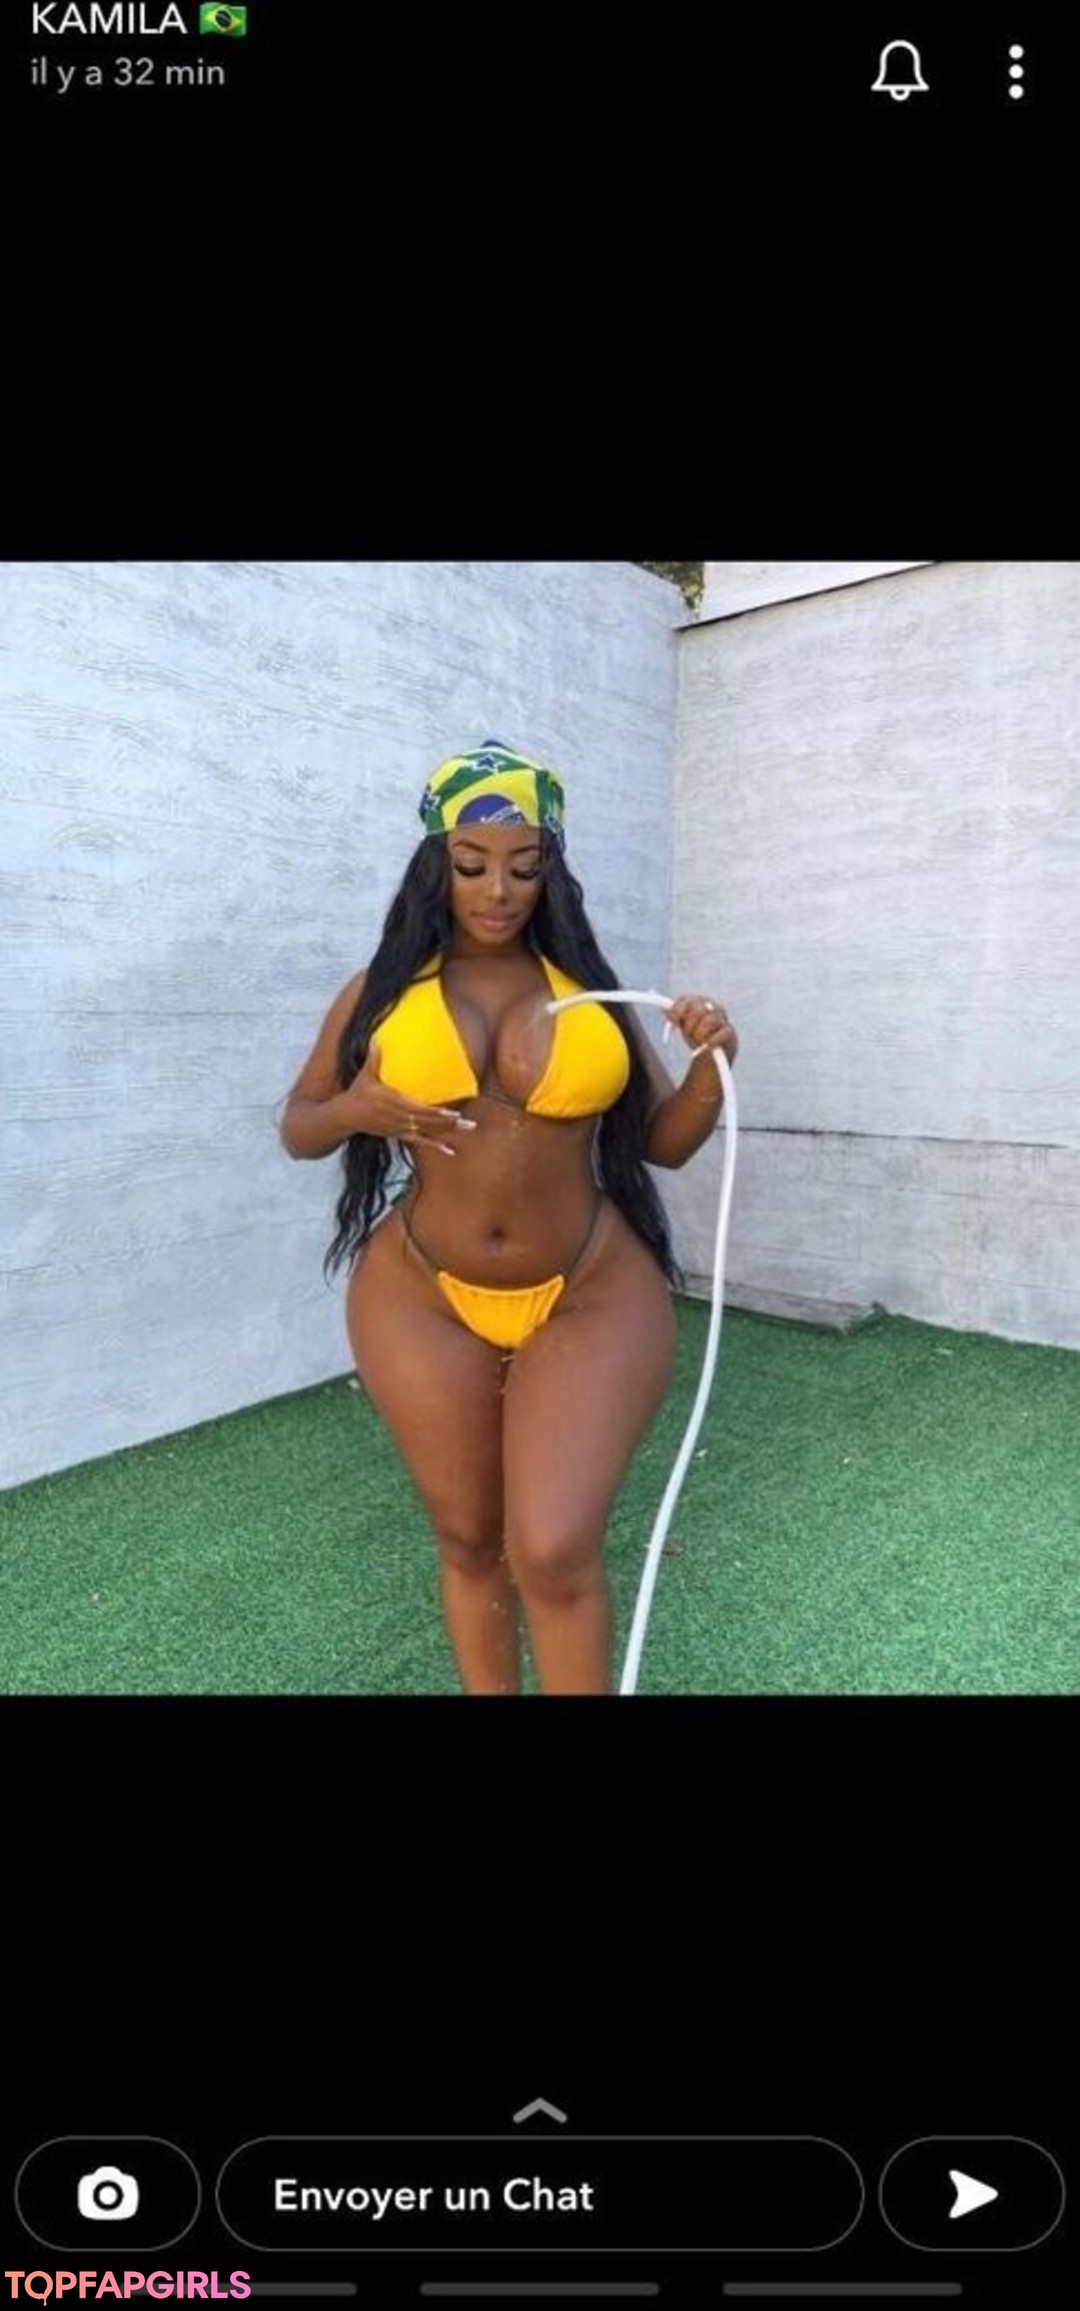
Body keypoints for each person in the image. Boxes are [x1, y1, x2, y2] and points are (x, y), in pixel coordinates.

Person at [279, 742, 739, 1696]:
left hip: (587, 1289)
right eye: (472, 863)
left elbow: (664, 1142)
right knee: (467, 1536)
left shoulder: (591, 991)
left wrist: (711, 1064)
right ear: (436, 864)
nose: (498, 890)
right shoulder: (376, 994)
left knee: (555, 1545)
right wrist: (356, 1108)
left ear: (549, 872)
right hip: (421, 1294)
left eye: (524, 868)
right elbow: (301, 1127)